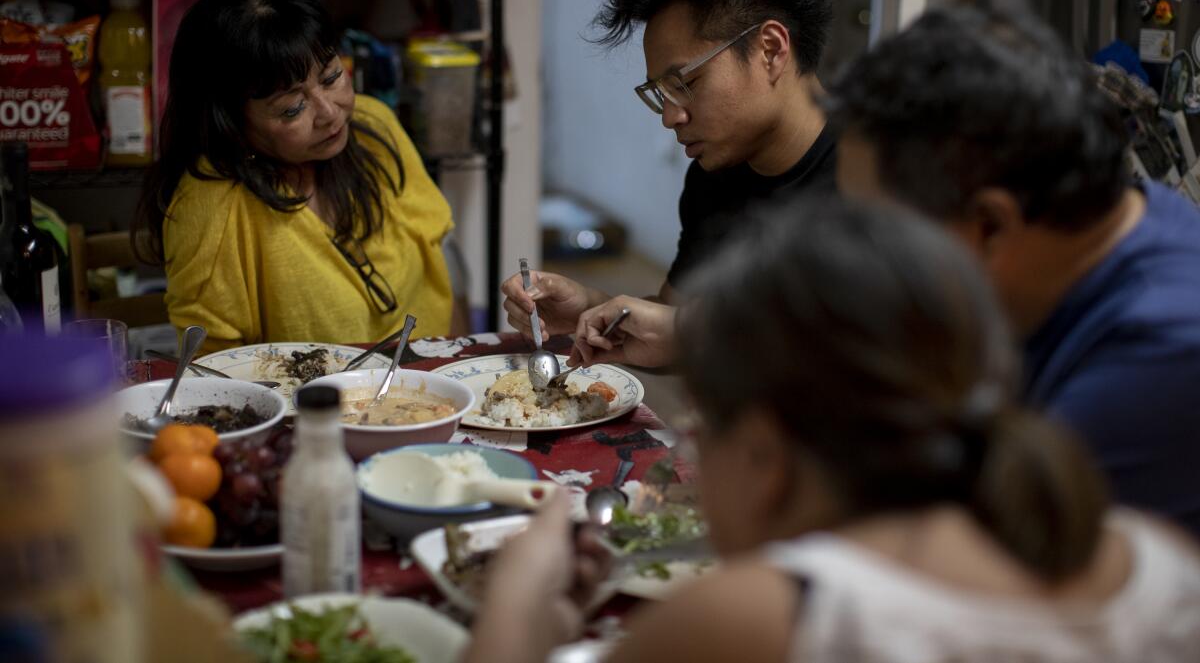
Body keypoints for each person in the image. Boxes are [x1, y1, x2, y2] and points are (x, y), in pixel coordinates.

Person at [464, 198, 1200, 663]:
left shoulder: (755, 618)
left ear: (765, 452)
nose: (689, 446)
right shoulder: (1159, 561)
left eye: (699, 431)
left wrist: (514, 613)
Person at [824, 6, 1200, 538]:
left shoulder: (1159, 361)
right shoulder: (1120, 218)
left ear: (991, 227)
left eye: (881, 238)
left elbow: (968, 585)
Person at [502, 0, 835, 341]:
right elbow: (679, 323)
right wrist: (591, 308)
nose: (670, 117)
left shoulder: (876, 172)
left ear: (770, 50)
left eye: (686, 84)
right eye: (661, 94)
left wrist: (680, 332)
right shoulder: (714, 176)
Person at [135, 0, 464, 351]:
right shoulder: (211, 209)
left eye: (332, 77)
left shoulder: (374, 127)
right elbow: (214, 373)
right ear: (230, 123)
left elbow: (438, 274)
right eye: (292, 108)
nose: (329, 113)